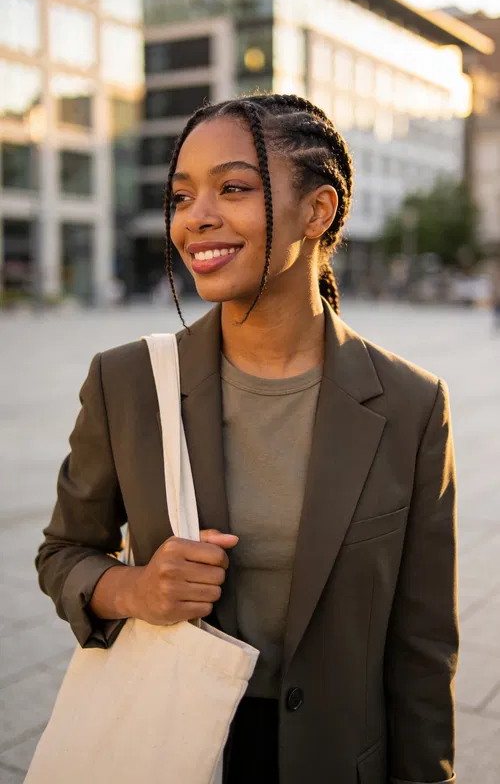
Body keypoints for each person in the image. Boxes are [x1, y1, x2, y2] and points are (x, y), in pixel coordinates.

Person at [36, 94, 458, 784]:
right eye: (181, 195)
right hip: (172, 745)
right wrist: (137, 587)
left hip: (335, 759)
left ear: (317, 211)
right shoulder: (128, 382)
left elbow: (422, 648)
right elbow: (62, 554)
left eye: (232, 187)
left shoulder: (412, 405)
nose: (196, 216)